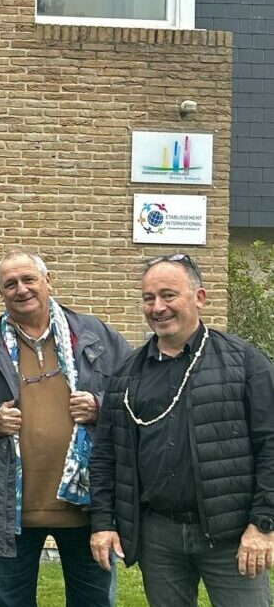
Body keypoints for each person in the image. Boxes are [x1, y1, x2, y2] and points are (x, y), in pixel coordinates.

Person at [89, 255, 274, 607]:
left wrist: (263, 524)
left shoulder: (246, 362)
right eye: (148, 298)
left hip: (233, 536)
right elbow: (106, 455)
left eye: (168, 295)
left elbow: (271, 445)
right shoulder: (127, 374)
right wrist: (103, 521)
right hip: (159, 536)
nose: (157, 307)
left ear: (199, 297)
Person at [0, 250, 130, 607]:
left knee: (93, 602)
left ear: (48, 281)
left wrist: (99, 406)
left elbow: (136, 394)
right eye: (10, 283)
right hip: (12, 508)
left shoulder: (95, 335)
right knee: (7, 602)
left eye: (29, 279)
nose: (21, 289)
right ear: (0, 293)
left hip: (87, 505)